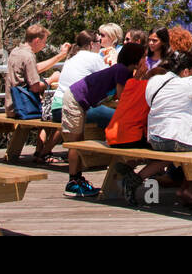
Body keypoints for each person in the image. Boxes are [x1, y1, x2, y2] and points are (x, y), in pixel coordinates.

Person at [131, 51, 192, 210]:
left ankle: (138, 179)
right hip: (176, 139)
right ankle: (190, 189)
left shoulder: (155, 81)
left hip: (155, 138)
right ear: (187, 71)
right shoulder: (187, 83)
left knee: (186, 148)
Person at [61, 41, 147, 199]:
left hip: (82, 101)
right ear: (136, 58)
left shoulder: (124, 72)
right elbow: (124, 97)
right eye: (144, 57)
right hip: (75, 99)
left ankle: (77, 179)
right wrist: (141, 76)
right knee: (75, 142)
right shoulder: (122, 70)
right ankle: (73, 181)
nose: (146, 61)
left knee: (79, 141)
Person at [4, 24, 70, 163]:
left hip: (11, 105)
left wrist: (60, 56)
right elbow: (35, 87)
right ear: (37, 41)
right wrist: (50, 80)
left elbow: (34, 69)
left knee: (47, 114)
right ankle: (44, 153)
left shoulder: (16, 51)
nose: (44, 45)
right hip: (23, 108)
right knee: (54, 115)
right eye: (44, 42)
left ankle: (40, 151)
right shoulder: (29, 56)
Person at [51, 32, 108, 125]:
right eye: (99, 41)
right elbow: (110, 80)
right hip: (73, 110)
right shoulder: (94, 57)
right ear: (91, 44)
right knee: (117, 117)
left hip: (57, 110)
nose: (101, 45)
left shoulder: (71, 57)